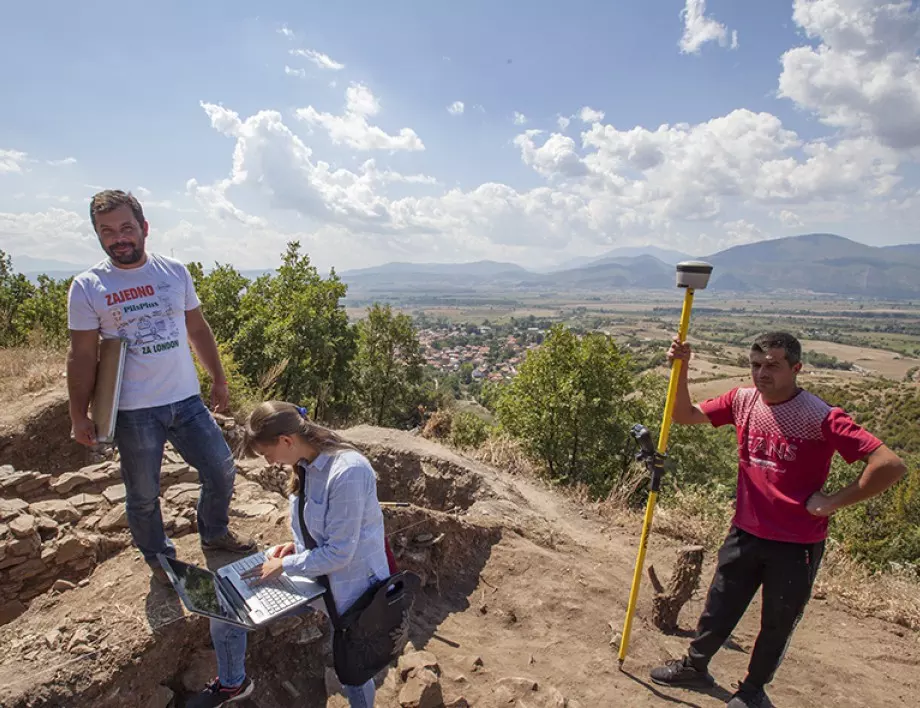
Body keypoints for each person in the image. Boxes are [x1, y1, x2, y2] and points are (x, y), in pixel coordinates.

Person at [649, 331, 906, 708]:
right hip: (746, 530)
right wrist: (682, 367)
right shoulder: (742, 400)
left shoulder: (820, 416)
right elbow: (685, 415)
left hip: (796, 541)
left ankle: (752, 692)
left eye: (772, 365)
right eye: (755, 365)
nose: (761, 373)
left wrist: (834, 501)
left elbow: (889, 465)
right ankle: (696, 667)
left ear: (796, 368)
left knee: (777, 621)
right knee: (720, 604)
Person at [67, 190, 256, 585]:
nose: (118, 238)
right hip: (133, 410)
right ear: (98, 236)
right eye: (107, 231)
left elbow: (197, 328)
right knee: (142, 494)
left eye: (126, 228)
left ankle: (215, 533)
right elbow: (82, 355)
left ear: (144, 228)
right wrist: (78, 413)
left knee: (220, 468)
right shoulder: (87, 286)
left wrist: (218, 378)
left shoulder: (174, 272)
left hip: (186, 400)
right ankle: (160, 558)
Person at [187, 401, 391, 708]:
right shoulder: (306, 464)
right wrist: (295, 548)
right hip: (312, 576)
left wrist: (286, 563)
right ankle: (233, 683)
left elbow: (340, 553)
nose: (269, 463)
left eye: (267, 454)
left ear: (286, 441)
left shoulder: (347, 472)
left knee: (353, 670)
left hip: (352, 589)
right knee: (225, 607)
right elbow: (322, 533)